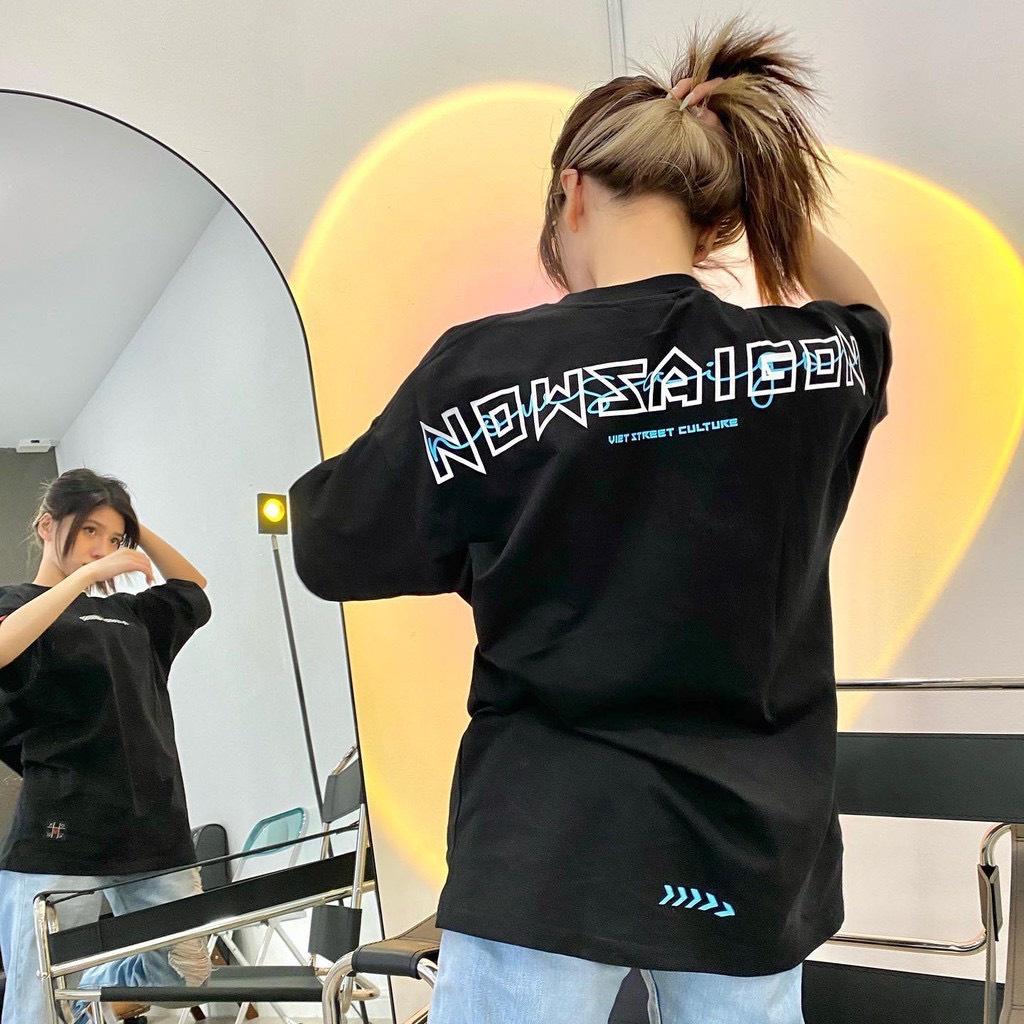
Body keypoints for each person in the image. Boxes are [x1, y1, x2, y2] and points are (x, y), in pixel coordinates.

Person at [288, 14, 893, 1024]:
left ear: (570, 192)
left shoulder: (482, 371)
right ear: (718, 220)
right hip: (746, 856)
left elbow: (330, 543)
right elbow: (871, 321)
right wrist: (768, 202)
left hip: (548, 854)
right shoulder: (811, 363)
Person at [0, 468, 213, 1024]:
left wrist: (135, 529)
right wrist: (83, 579)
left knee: (185, 970)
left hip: (153, 825)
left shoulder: (133, 616)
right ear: (47, 527)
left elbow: (192, 588)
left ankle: (86, 997)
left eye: (114, 538)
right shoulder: (18, 604)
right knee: (36, 1001)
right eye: (89, 530)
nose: (102, 548)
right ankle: (66, 1000)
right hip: (61, 829)